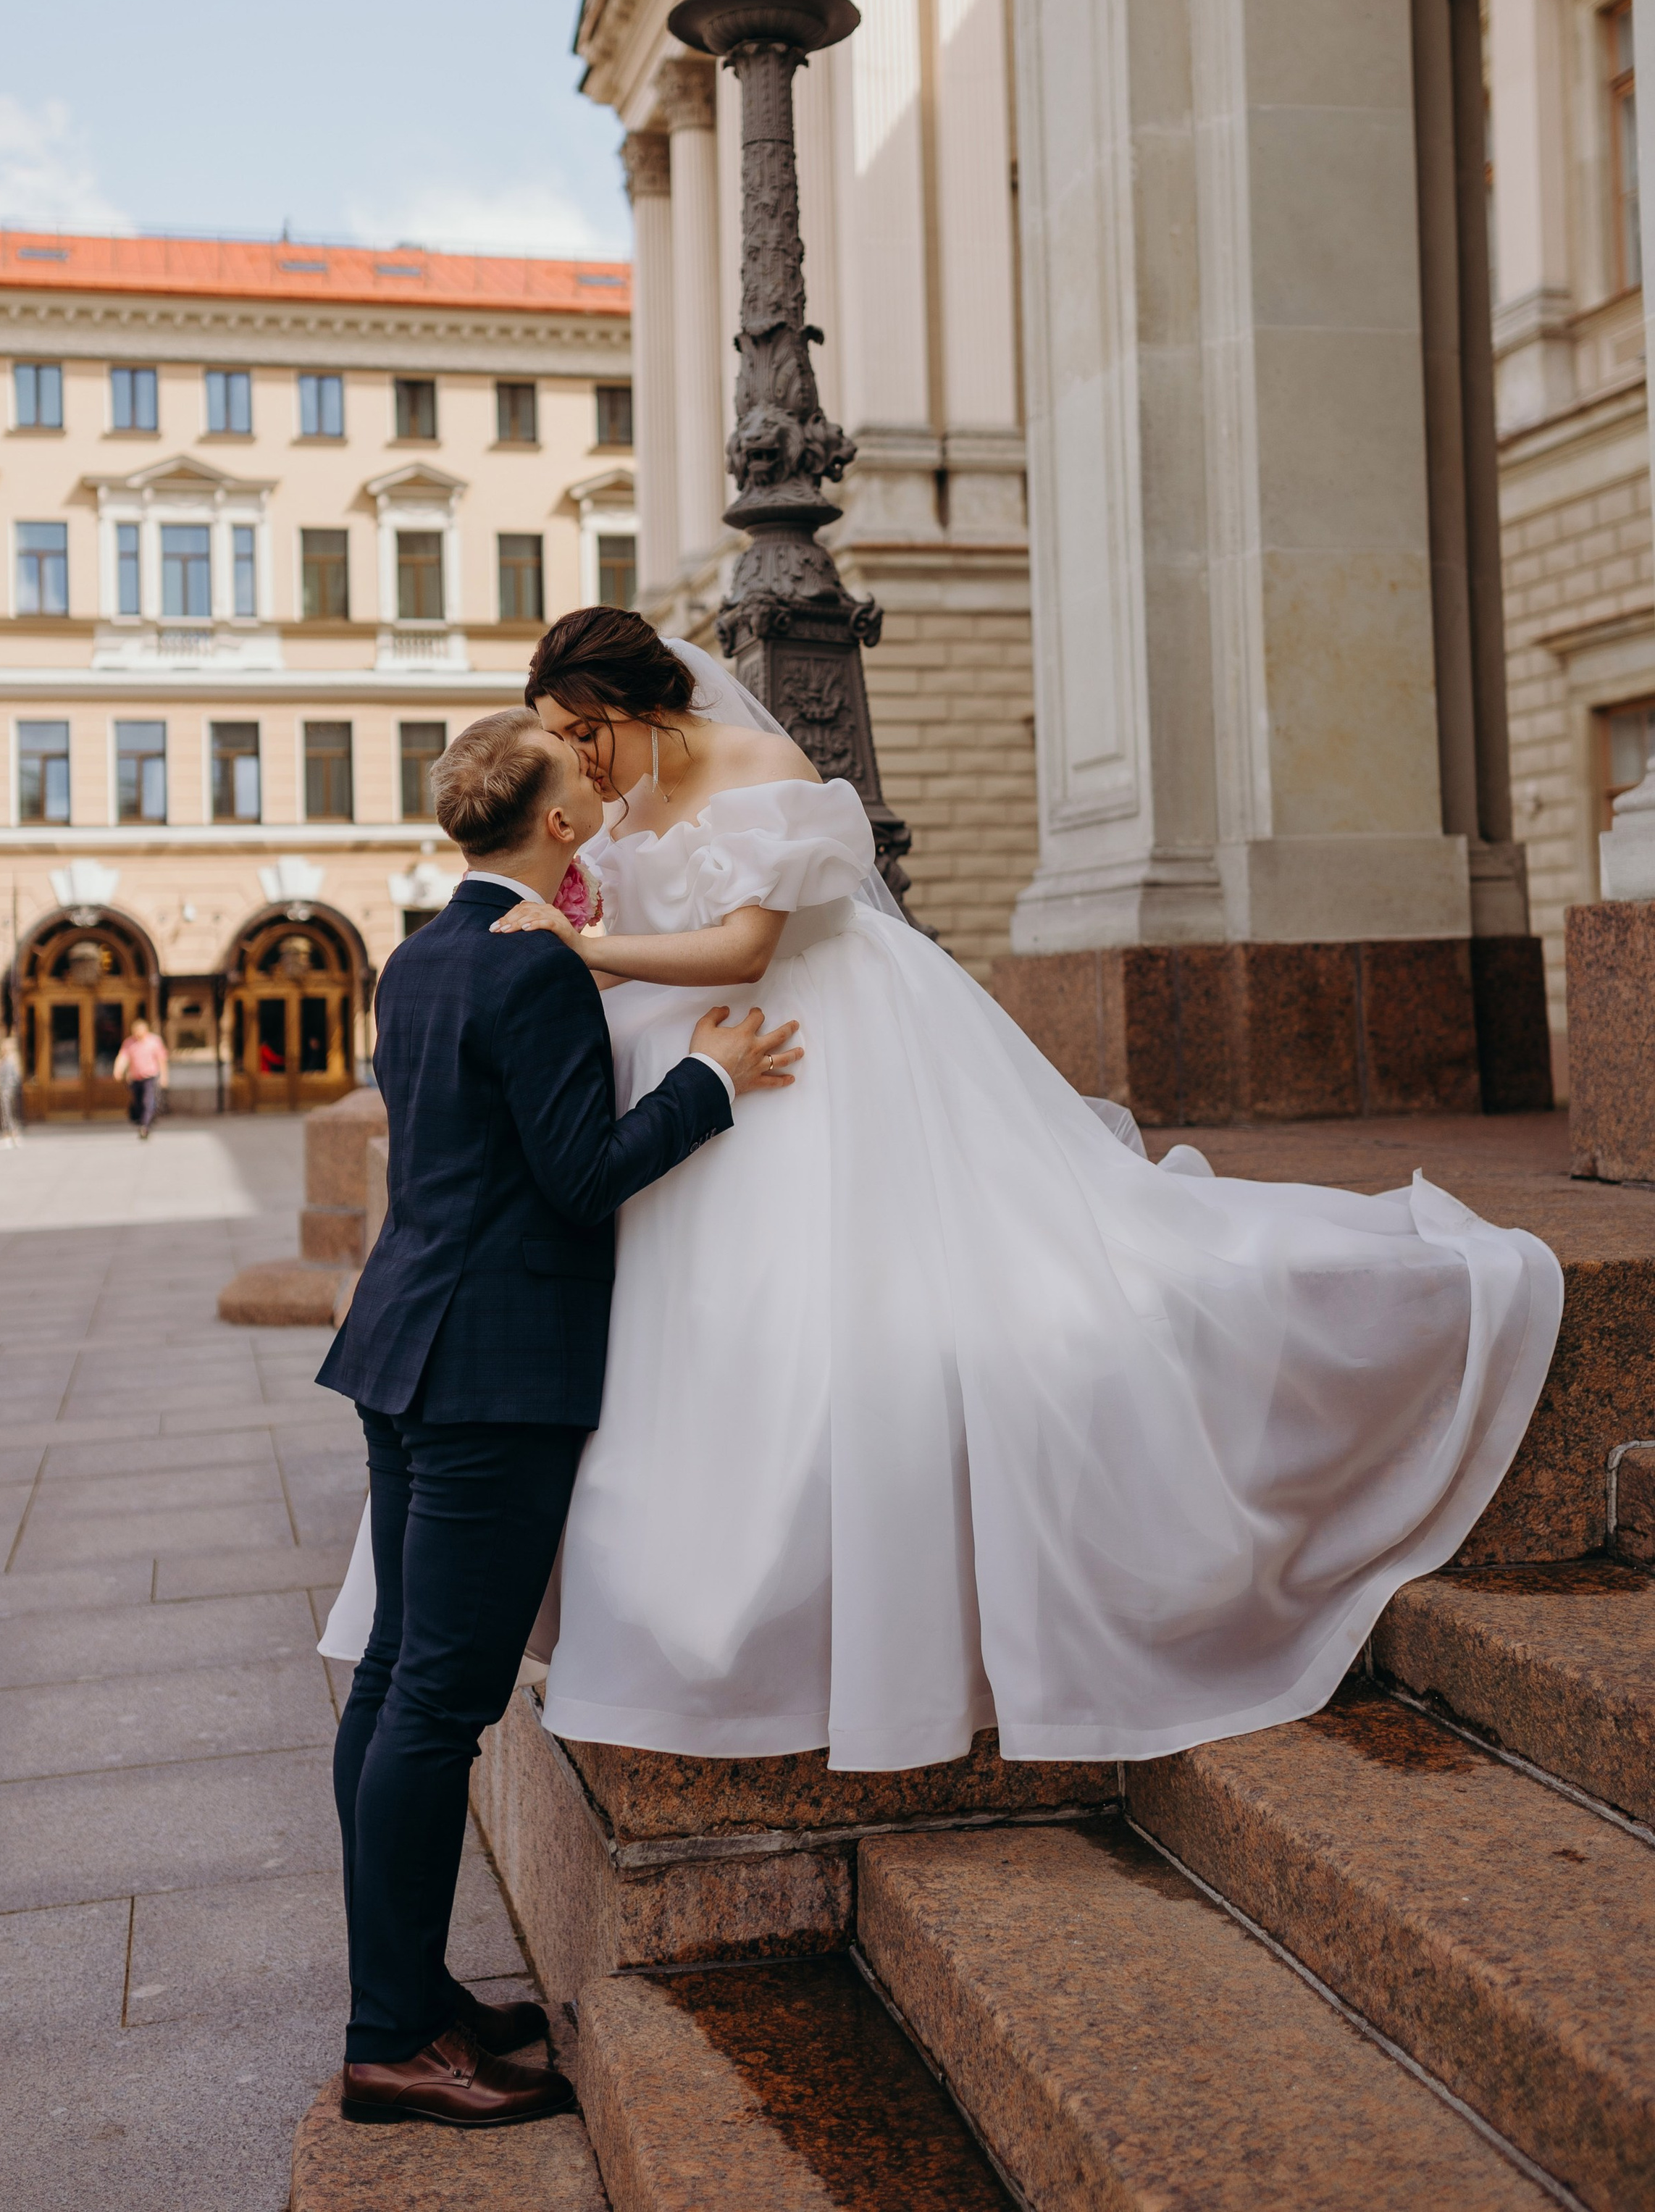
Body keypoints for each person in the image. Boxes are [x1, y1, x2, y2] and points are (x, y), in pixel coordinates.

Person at [325, 608, 1562, 1782]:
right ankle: (697, 1605)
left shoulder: (757, 757)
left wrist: (582, 946)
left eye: (584, 727)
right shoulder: (610, 804)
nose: (577, 757)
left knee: (882, 1303)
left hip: (814, 1039)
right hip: (694, 1066)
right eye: (556, 735)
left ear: (638, 703)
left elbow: (750, 948)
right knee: (714, 1332)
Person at [312, 708, 800, 2131]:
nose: (600, 784)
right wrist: (714, 1078)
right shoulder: (533, 970)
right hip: (491, 1375)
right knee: (438, 1702)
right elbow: (582, 1177)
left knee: (399, 1679)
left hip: (407, 1348)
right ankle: (388, 2036)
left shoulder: (418, 951)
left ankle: (407, 1995)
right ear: (563, 828)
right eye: (581, 782)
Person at [112, 1013, 167, 1137]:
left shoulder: (154, 1041)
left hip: (150, 1076)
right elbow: (123, 1057)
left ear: (146, 1030)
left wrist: (164, 1076)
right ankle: (144, 1120)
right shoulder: (129, 1043)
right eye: (135, 1030)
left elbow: (161, 1060)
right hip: (135, 1077)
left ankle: (145, 1127)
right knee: (138, 1103)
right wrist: (118, 1069)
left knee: (147, 1101)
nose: (137, 1033)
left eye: (140, 1030)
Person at [0, 1030, 24, 1147]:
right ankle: (12, 1136)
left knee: (7, 1114)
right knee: (9, 1114)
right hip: (6, 1090)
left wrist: (8, 1086)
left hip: (7, 1091)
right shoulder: (6, 1061)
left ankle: (10, 1137)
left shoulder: (8, 1062)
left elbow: (15, 1077)